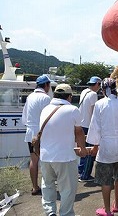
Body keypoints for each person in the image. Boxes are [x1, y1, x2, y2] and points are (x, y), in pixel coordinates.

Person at [86, 78, 118, 216]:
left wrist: (95, 146)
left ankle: (107, 211)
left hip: (106, 146)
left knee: (106, 180)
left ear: (102, 90)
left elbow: (95, 127)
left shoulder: (100, 104)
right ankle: (116, 203)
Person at [39, 84, 88, 216]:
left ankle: (50, 213)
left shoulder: (45, 109)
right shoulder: (72, 110)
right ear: (69, 96)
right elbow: (79, 132)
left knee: (48, 186)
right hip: (65, 157)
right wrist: (82, 149)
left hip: (45, 157)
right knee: (67, 189)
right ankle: (66, 214)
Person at [22, 74, 52, 195]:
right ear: (46, 85)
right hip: (41, 132)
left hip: (30, 132)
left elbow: (24, 116)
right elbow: (48, 118)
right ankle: (48, 185)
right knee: (46, 160)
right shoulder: (46, 98)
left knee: (33, 160)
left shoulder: (30, 96)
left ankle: (35, 187)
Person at [78, 76, 102, 182]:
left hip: (81, 124)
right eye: (99, 85)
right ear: (97, 84)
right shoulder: (93, 94)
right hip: (88, 126)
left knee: (83, 150)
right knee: (90, 152)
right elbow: (93, 112)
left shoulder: (84, 91)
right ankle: (85, 175)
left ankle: (80, 171)